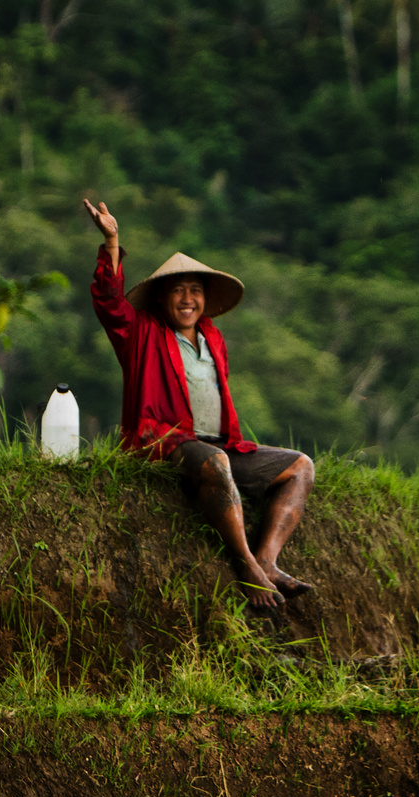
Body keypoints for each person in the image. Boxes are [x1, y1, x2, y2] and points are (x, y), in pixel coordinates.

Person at [84, 198, 314, 609]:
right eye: (178, 291)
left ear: (205, 299)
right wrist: (112, 240)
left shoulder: (213, 339)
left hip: (220, 444)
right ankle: (246, 564)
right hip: (166, 440)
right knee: (216, 464)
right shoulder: (142, 333)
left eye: (195, 291)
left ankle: (268, 559)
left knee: (300, 466)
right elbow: (107, 302)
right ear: (162, 299)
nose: (188, 299)